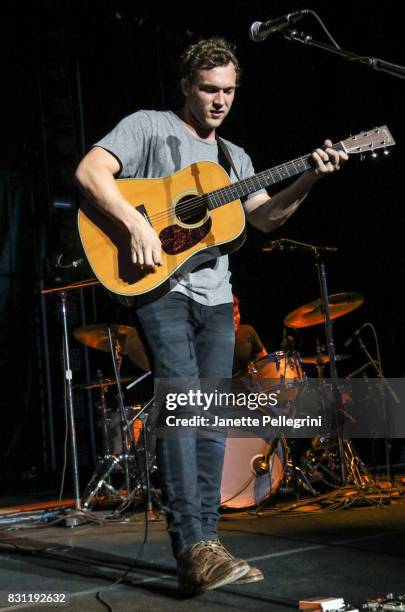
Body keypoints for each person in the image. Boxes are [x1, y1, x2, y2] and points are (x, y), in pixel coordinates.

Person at [75, 37, 348, 594]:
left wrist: (310, 176)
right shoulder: (149, 126)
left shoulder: (234, 159)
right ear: (185, 86)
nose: (220, 100)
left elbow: (266, 218)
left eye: (228, 91)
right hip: (161, 290)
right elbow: (90, 173)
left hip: (217, 298)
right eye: (208, 89)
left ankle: (208, 543)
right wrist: (136, 222)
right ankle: (191, 546)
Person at [233, 294, 268, 378]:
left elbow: (265, 359)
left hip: (249, 387)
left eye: (236, 313)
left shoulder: (247, 331)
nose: (234, 319)